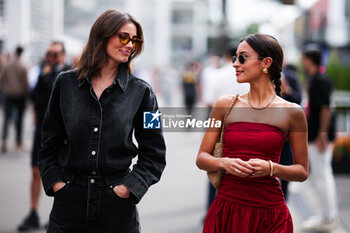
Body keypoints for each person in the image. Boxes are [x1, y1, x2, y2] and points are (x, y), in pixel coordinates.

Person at [37, 9, 166, 233]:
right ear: (102, 35)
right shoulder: (65, 84)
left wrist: (128, 188)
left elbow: (155, 153)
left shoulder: (143, 92)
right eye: (123, 37)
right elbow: (48, 143)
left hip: (117, 206)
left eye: (135, 40)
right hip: (69, 202)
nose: (130, 45)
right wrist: (56, 183)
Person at [196, 33, 309, 232]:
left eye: (242, 57)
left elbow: (302, 171)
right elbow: (202, 158)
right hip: (226, 211)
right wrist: (224, 162)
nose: (234, 64)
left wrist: (271, 168)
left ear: (266, 63)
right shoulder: (223, 104)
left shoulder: (293, 113)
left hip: (270, 216)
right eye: (234, 58)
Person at [17, 41, 70, 231]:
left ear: (63, 55)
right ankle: (33, 212)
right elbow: (35, 97)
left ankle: (58, 214)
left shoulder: (70, 74)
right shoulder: (43, 72)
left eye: (55, 54)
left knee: (62, 173)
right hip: (42, 130)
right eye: (49, 53)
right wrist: (45, 75)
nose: (51, 57)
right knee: (35, 171)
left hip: (64, 133)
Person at [301, 48, 338, 231]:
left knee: (322, 176)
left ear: (309, 59)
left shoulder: (320, 80)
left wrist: (322, 134)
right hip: (316, 135)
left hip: (319, 137)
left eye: (304, 58)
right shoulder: (317, 78)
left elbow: (325, 108)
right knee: (321, 176)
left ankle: (328, 217)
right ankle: (326, 215)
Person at [279, 64, 302, 201]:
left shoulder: (290, 76)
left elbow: (298, 99)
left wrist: (286, 90)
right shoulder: (262, 77)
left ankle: (283, 200)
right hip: (269, 128)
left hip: (286, 131)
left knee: (286, 163)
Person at [0, 46, 28, 153]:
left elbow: (1, 80)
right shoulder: (23, 67)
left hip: (9, 95)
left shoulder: (8, 66)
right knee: (20, 119)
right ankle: (18, 141)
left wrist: (5, 89)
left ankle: (4, 140)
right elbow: (26, 83)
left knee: (6, 119)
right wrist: (26, 95)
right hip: (20, 96)